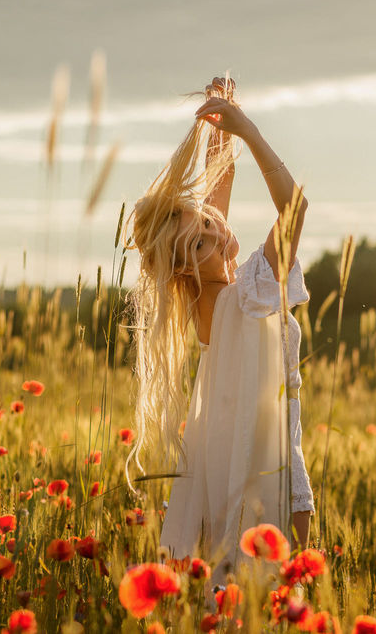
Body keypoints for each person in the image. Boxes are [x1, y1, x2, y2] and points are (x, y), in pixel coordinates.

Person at [123, 77, 315, 599]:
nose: (215, 228)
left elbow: (215, 196)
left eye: (208, 221)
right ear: (187, 263)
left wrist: (221, 129)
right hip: (268, 460)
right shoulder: (246, 294)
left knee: (245, 596)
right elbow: (294, 207)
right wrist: (249, 132)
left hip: (244, 451)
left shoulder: (212, 299)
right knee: (279, 595)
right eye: (202, 239)